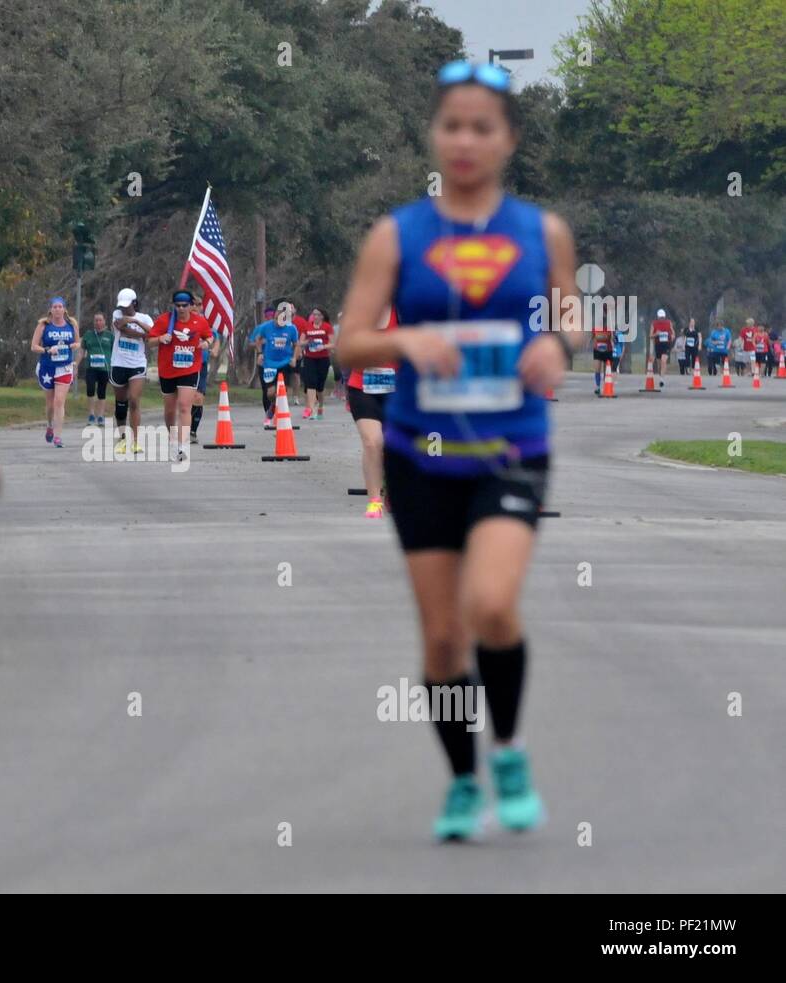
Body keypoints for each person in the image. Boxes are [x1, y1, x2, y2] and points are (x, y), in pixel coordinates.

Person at [335, 59, 575, 841]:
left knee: (493, 605)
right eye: (452, 126)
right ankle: (463, 779)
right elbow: (348, 343)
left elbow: (573, 319)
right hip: (420, 451)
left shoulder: (542, 233)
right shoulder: (396, 235)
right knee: (442, 637)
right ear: (435, 136)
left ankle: (508, 749)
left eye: (482, 127)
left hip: (511, 445)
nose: (465, 141)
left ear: (508, 139)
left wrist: (558, 347)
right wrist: (405, 338)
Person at [345, 306, 398, 517]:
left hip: (398, 390)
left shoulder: (401, 313)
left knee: (394, 446)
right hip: (363, 387)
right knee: (372, 442)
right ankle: (374, 500)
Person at [149, 288, 214, 462]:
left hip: (190, 368)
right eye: (177, 305)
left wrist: (207, 343)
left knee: (185, 406)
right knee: (170, 411)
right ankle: (172, 438)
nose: (181, 309)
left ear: (191, 305)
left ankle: (182, 445)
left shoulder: (199, 322)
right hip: (168, 370)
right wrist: (161, 339)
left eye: (185, 305)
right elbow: (150, 340)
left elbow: (209, 336)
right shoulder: (165, 320)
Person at [31, 298, 80, 448]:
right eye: (55, 307)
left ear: (64, 309)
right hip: (47, 367)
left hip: (64, 367)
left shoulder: (72, 325)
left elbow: (79, 342)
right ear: (51, 310)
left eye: (60, 307)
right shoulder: (44, 325)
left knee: (59, 401)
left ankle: (58, 437)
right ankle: (49, 425)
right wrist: (47, 350)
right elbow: (33, 346)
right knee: (50, 404)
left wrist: (72, 345)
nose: (57, 309)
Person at [110, 288, 152, 456]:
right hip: (119, 362)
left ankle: (135, 441)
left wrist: (135, 322)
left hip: (137, 363)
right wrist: (142, 334)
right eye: (122, 306)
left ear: (135, 303)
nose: (123, 309)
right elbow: (122, 328)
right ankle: (122, 439)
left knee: (134, 400)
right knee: (121, 404)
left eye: (127, 306)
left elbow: (153, 333)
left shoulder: (145, 318)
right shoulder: (116, 314)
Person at [249, 301, 300, 424]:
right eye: (278, 319)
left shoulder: (292, 328)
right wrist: (260, 353)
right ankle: (272, 406)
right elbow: (257, 339)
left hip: (284, 363)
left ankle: (279, 415)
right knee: (270, 393)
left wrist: (294, 358)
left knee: (282, 390)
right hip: (269, 363)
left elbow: (296, 345)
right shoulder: (266, 327)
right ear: (275, 315)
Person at [189, 301, 222, 444]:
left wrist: (215, 348)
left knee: (198, 399)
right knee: (184, 400)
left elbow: (214, 337)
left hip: (200, 365)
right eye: (193, 304)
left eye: (199, 304)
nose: (196, 307)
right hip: (183, 365)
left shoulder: (204, 322)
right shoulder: (180, 321)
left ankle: (192, 432)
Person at [298, 307, 333, 419]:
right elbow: (300, 342)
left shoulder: (327, 327)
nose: (315, 316)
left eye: (318, 314)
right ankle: (311, 409)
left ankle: (320, 406)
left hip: (323, 359)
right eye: (314, 314)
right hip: (310, 358)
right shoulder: (307, 326)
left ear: (322, 316)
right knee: (311, 383)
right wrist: (307, 342)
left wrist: (323, 346)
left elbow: (333, 344)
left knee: (320, 387)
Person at [80, 312, 113, 425]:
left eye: (100, 320)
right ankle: (91, 414)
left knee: (101, 391)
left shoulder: (110, 336)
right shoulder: (88, 335)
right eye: (96, 320)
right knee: (90, 389)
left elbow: (115, 352)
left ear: (104, 321)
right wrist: (76, 363)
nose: (98, 322)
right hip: (91, 367)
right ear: (93, 322)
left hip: (104, 368)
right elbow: (81, 351)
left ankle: (100, 416)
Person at [649, 308, 672, 388]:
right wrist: (656, 334)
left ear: (664, 316)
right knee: (659, 364)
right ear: (658, 317)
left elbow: (672, 332)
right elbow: (650, 335)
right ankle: (661, 374)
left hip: (666, 344)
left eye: (663, 317)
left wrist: (672, 336)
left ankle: (662, 379)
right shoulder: (654, 323)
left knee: (663, 360)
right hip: (658, 345)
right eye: (660, 317)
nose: (662, 319)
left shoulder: (668, 322)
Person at [591, 320, 613, 395]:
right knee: (597, 369)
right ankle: (597, 386)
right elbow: (594, 337)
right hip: (597, 350)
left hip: (608, 350)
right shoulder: (595, 328)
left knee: (606, 370)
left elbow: (611, 338)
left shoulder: (610, 328)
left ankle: (605, 385)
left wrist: (611, 336)